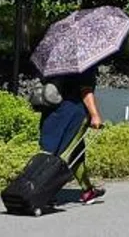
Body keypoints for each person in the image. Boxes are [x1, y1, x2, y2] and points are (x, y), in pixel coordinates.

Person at [37, 69, 105, 204]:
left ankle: (87, 190)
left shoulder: (55, 64)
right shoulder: (84, 65)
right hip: (73, 115)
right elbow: (86, 91)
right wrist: (95, 115)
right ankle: (45, 192)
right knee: (67, 154)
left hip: (51, 113)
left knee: (69, 152)